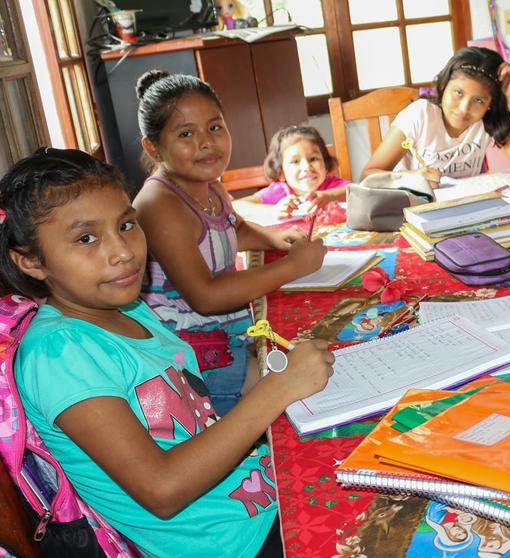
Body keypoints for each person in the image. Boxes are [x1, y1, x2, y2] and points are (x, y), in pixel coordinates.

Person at [0, 147, 335, 557]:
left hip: (254, 499)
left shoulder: (132, 309)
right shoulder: (59, 353)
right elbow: (162, 490)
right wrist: (277, 388)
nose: (123, 251)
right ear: (32, 262)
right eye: (86, 238)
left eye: (126, 225)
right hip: (229, 545)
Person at [133, 70, 327, 415]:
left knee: (318, 344)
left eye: (215, 127)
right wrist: (293, 266)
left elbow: (232, 228)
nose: (206, 142)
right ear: (153, 146)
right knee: (308, 397)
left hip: (229, 331)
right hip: (193, 358)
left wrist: (274, 238)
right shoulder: (159, 205)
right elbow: (206, 295)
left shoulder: (209, 184)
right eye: (186, 133)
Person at [361, 46, 510, 188]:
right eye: (458, 93)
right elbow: (368, 174)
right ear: (443, 85)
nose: (464, 109)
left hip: (466, 212)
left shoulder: (487, 119)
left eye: (478, 100)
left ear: (490, 103)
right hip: (417, 211)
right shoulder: (420, 115)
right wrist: (413, 176)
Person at [237, 125, 349, 220]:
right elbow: (236, 206)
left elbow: (362, 191)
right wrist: (273, 211)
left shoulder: (333, 186)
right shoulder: (280, 191)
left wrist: (328, 196)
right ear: (281, 173)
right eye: (295, 161)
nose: (306, 167)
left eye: (313, 159)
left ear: (325, 164)